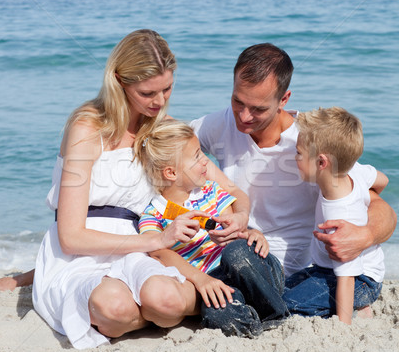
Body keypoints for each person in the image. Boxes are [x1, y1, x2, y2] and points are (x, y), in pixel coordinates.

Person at [6, 30, 251, 349]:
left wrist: (241, 216)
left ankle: (200, 298)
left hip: (143, 248)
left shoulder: (163, 129)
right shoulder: (87, 128)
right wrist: (157, 239)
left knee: (165, 301)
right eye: (148, 92)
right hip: (84, 251)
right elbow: (70, 236)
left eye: (167, 88)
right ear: (119, 82)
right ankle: (43, 279)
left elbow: (230, 189)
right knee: (115, 307)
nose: (160, 101)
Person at [191, 43, 396, 281]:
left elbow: (380, 206)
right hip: (244, 254)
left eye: (258, 109)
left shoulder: (309, 141)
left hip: (298, 271)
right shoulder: (222, 122)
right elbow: (169, 141)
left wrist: (365, 236)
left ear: (284, 99)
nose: (244, 116)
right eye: (238, 101)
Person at [136, 119, 288, 337]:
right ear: (171, 173)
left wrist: (253, 234)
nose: (206, 161)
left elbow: (234, 238)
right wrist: (201, 279)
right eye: (197, 156)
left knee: (236, 253)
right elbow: (159, 252)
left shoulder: (212, 192)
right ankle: (255, 319)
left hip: (253, 270)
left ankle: (277, 316)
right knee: (216, 312)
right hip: (217, 283)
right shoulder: (153, 214)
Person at [283, 107, 387, 324]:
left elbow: (347, 278)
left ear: (321, 163)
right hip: (325, 270)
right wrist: (365, 199)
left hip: (361, 280)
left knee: (289, 305)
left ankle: (360, 306)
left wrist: (343, 325)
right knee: (284, 287)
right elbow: (382, 180)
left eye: (299, 153)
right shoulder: (352, 170)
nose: (295, 157)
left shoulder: (339, 214)